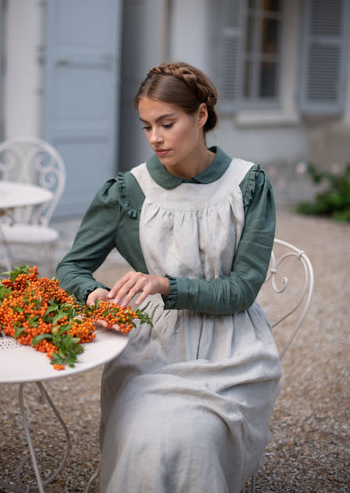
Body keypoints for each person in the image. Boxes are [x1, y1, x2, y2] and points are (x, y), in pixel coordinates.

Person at [56, 61, 282, 493]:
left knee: (193, 440)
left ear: (200, 115)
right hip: (152, 349)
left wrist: (165, 285)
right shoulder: (127, 190)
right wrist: (95, 295)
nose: (155, 138)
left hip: (232, 349)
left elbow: (242, 290)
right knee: (152, 440)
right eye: (146, 126)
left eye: (167, 123)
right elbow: (71, 267)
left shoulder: (247, 184)